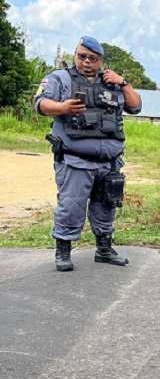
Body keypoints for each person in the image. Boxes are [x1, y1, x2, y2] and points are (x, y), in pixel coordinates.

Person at [33, 36, 142, 272]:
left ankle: (104, 250)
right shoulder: (60, 78)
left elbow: (136, 106)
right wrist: (62, 108)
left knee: (107, 205)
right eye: (82, 56)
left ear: (100, 60)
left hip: (110, 162)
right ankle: (63, 251)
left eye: (93, 58)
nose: (86, 62)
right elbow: (40, 103)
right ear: (75, 55)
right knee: (71, 206)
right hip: (75, 159)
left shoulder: (111, 82)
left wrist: (123, 82)